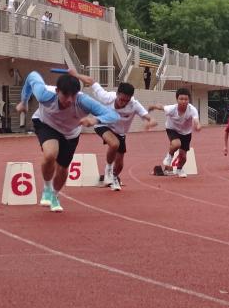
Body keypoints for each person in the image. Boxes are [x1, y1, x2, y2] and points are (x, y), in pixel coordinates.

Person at [15, 70, 119, 212]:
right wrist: (24, 101)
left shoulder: (84, 101)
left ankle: (54, 195)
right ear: (57, 91)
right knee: (50, 154)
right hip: (46, 124)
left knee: (63, 168)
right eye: (65, 95)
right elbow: (32, 76)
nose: (69, 100)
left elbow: (113, 115)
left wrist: (96, 119)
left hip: (70, 133)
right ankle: (47, 188)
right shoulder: (44, 94)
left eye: (73, 95)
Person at [71, 68, 156, 190]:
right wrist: (75, 74)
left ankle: (114, 177)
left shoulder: (134, 105)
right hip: (102, 124)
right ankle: (108, 170)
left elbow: (150, 118)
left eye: (126, 100)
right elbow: (91, 81)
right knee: (114, 144)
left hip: (120, 132)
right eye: (121, 99)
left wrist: (150, 123)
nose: (123, 103)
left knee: (120, 164)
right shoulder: (107, 97)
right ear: (117, 94)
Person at [149, 88, 201, 177]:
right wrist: (153, 107)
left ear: (189, 100)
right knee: (176, 144)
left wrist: (198, 125)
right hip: (172, 129)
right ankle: (169, 156)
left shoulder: (192, 109)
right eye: (181, 99)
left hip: (186, 133)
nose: (183, 101)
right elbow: (161, 107)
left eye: (186, 99)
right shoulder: (172, 109)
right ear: (177, 99)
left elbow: (196, 120)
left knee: (183, 156)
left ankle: (179, 169)